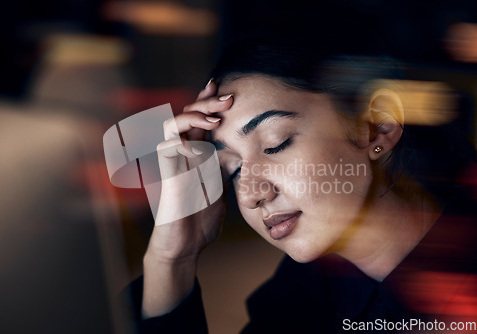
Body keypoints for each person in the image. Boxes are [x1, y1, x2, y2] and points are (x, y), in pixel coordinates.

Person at [121, 17, 477, 334]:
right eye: (233, 170)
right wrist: (172, 259)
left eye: (276, 144)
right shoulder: (309, 290)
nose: (250, 194)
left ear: (377, 126)